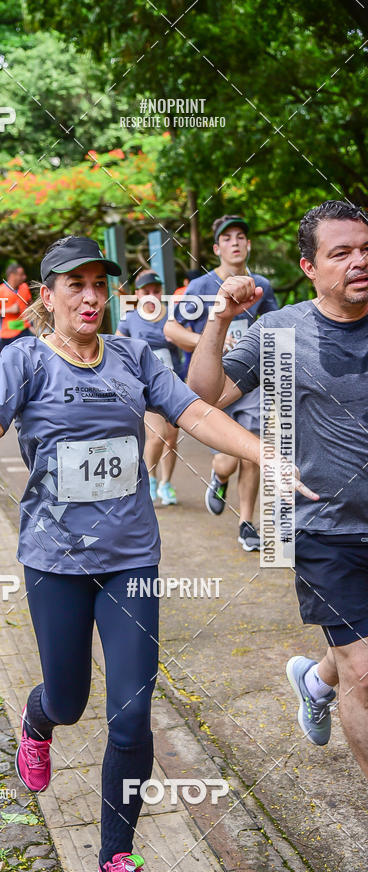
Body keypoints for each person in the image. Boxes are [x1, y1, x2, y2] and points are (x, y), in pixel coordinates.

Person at [0, 234, 310, 872]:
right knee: (68, 700)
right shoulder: (25, 359)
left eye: (101, 284)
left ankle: (115, 857)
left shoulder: (132, 355)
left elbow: (195, 409)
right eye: (76, 285)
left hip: (132, 558)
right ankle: (38, 723)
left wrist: (265, 453)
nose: (92, 296)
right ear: (49, 296)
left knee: (131, 715)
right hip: (54, 561)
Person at [186, 200, 368, 775]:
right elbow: (205, 397)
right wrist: (217, 321)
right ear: (308, 266)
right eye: (340, 253)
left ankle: (315, 681)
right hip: (322, 527)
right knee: (364, 669)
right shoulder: (281, 331)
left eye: (366, 250)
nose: (358, 262)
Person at [163, 215, 278, 551]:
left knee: (253, 453)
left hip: (251, 384)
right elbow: (170, 329)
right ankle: (220, 476)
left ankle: (246, 522)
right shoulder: (200, 287)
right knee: (228, 457)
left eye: (241, 236)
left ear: (249, 244)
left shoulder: (262, 287)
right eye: (227, 238)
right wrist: (210, 341)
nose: (236, 242)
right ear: (216, 249)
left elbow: (274, 328)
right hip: (214, 388)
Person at [116, 270, 180, 505]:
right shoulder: (130, 318)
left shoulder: (172, 317)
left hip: (172, 382)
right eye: (146, 291)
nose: (152, 295)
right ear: (138, 294)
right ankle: (150, 478)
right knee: (158, 435)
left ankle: (166, 483)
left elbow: (188, 343)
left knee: (172, 437)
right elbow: (118, 349)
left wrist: (178, 337)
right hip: (145, 386)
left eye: (156, 291)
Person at [0, 263, 33, 350]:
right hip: (7, 335)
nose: (24, 277)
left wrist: (32, 324)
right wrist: (9, 310)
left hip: (24, 331)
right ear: (12, 276)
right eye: (21, 275)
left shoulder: (24, 287)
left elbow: (30, 305)